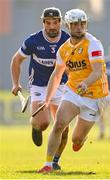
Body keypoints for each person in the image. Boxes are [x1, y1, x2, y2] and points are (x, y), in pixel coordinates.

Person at [38, 8, 109, 173]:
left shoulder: (93, 43)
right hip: (73, 92)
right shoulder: (63, 49)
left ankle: (80, 140)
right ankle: (48, 165)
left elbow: (98, 71)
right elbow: (56, 75)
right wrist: (47, 99)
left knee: (76, 139)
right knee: (59, 124)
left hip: (95, 95)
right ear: (68, 26)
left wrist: (85, 83)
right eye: (75, 24)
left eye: (82, 23)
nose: (79, 27)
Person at [10, 7, 70, 170]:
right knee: (43, 123)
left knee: (62, 128)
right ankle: (35, 126)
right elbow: (16, 60)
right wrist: (16, 83)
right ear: (43, 23)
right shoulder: (33, 40)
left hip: (61, 85)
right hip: (39, 85)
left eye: (55, 23)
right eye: (48, 23)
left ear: (60, 23)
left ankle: (55, 161)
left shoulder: (68, 40)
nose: (51, 26)